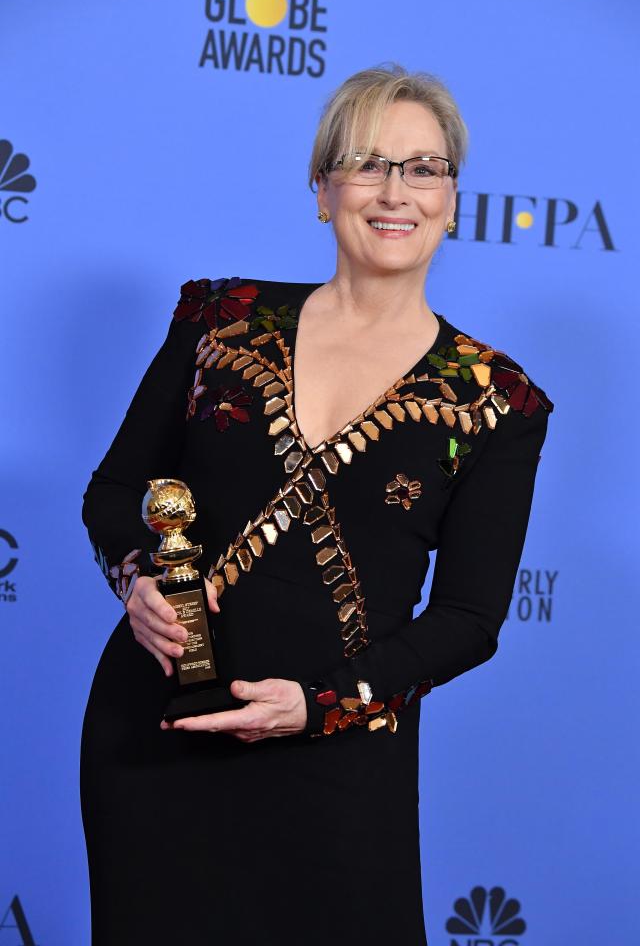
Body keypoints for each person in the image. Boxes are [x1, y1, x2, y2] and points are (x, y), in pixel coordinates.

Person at [80, 63, 554, 946]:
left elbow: (469, 617)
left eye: (425, 168)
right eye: (368, 163)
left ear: (453, 198)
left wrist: (324, 704)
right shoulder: (220, 322)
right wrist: (139, 580)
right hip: (155, 734)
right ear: (322, 186)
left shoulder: (498, 401)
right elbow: (115, 492)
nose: (396, 191)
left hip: (338, 756)